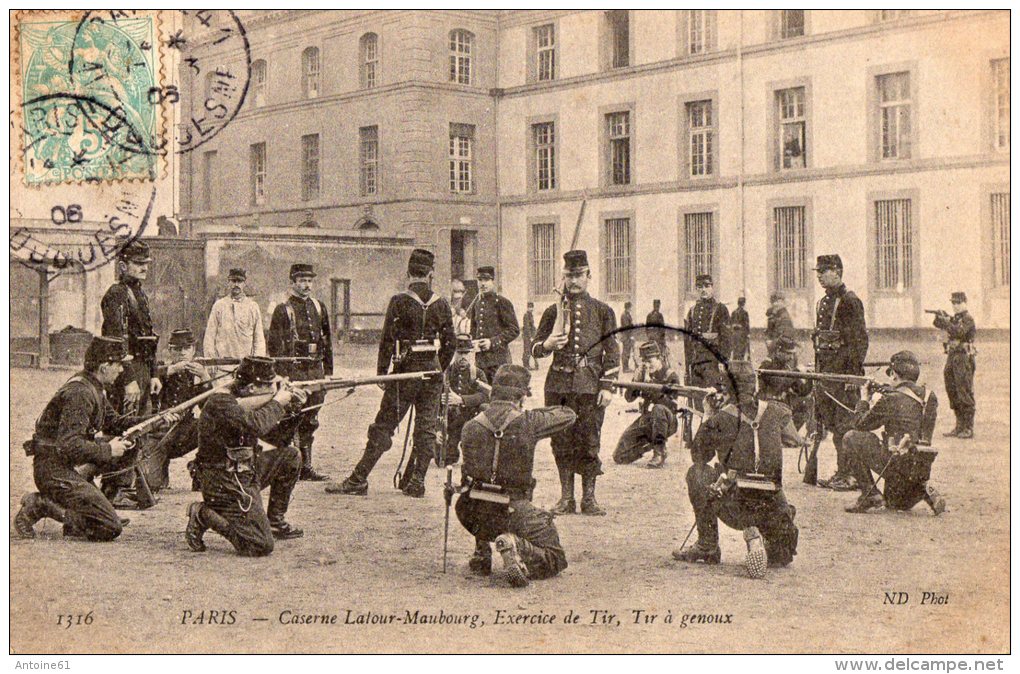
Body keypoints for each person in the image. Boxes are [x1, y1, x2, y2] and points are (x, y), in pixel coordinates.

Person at [331, 249, 456, 497]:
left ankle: (358, 479)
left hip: (404, 374)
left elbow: (387, 339)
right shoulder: (441, 303)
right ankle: (417, 482)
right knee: (426, 429)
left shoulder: (399, 301)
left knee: (383, 426)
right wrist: (437, 367)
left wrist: (382, 372)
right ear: (430, 274)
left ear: (408, 273)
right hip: (431, 375)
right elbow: (450, 343)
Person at [673, 361, 801, 579]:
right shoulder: (778, 411)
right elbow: (794, 439)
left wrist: (709, 415)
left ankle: (707, 545)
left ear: (727, 388)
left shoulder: (721, 419)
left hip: (736, 508)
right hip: (771, 505)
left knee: (696, 473)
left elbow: (699, 457)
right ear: (755, 384)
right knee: (781, 558)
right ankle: (766, 535)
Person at [453, 365, 575, 586]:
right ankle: (515, 544)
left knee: (478, 488)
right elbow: (568, 414)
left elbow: (466, 476)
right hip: (511, 510)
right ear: (521, 396)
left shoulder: (470, 426)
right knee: (556, 558)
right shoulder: (529, 421)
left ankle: (482, 553)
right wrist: (528, 411)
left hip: (470, 512)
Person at [14, 337, 147, 541]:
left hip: (65, 465)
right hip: (53, 471)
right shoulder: (81, 393)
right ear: (104, 366)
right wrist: (108, 450)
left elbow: (114, 422)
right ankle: (41, 505)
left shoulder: (93, 386)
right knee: (109, 527)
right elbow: (70, 445)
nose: (122, 370)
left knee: (127, 447)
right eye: (119, 365)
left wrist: (157, 419)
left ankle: (92, 509)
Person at [185, 357, 307, 556]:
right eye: (269, 386)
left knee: (290, 456)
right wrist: (277, 403)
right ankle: (203, 514)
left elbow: (276, 438)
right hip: (223, 481)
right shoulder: (221, 403)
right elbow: (255, 425)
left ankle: (275, 522)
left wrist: (293, 407)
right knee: (260, 545)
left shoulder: (243, 401)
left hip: (246, 472)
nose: (273, 390)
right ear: (251, 388)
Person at [532, 249, 619, 516]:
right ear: (563, 277)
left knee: (589, 439)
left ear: (589, 276)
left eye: (579, 275)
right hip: (558, 385)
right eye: (569, 275)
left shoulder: (602, 311)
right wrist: (546, 345)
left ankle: (589, 498)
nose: (574, 281)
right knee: (561, 440)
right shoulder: (553, 310)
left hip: (589, 386)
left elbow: (612, 351)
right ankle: (566, 498)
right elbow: (535, 348)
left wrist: (607, 385)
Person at [843, 351, 944, 515]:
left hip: (896, 463)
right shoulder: (929, 396)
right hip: (920, 467)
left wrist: (864, 399)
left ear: (895, 374)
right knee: (895, 504)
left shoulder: (891, 398)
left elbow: (860, 424)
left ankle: (871, 494)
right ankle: (923, 489)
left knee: (851, 437)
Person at [267, 263, 333, 481]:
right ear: (292, 283)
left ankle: (306, 467)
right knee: (292, 417)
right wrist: (282, 375)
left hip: (315, 370)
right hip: (294, 371)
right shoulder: (283, 310)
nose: (307, 285)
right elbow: (275, 346)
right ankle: (289, 466)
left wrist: (328, 371)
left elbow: (327, 340)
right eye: (302, 281)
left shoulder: (319, 306)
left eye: (310, 281)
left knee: (311, 418)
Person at [811, 254, 869, 490]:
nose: (820, 277)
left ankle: (853, 475)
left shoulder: (849, 301)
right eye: (818, 273)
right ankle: (842, 472)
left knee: (846, 426)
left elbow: (859, 341)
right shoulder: (824, 302)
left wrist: (852, 377)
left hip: (844, 375)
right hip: (827, 374)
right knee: (834, 425)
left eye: (824, 272)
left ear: (837, 272)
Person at [144, 328, 213, 491]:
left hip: (184, 429)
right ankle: (160, 469)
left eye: (186, 349)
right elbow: (147, 381)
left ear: (193, 350)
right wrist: (172, 370)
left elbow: (209, 407)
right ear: (169, 351)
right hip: (159, 430)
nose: (182, 353)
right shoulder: (160, 370)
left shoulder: (197, 372)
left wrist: (205, 378)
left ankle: (199, 469)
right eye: (177, 349)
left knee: (211, 427)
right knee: (152, 484)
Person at [101, 240, 161, 416]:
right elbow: (116, 340)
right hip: (125, 370)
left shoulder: (140, 293)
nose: (144, 268)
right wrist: (128, 380)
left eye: (146, 264)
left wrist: (154, 374)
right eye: (138, 263)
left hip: (142, 369)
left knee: (141, 426)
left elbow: (148, 338)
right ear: (123, 266)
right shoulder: (117, 294)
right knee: (123, 428)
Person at [613, 341, 681, 469]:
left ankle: (659, 452)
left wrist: (650, 388)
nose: (647, 365)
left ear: (659, 359)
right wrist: (636, 381)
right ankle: (650, 444)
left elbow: (671, 405)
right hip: (647, 421)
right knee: (620, 456)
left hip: (667, 421)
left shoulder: (670, 375)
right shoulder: (643, 373)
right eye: (644, 362)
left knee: (658, 409)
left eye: (650, 361)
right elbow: (629, 398)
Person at [203, 268, 267, 373]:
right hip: (222, 367)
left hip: (246, 367)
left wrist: (258, 363)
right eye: (233, 281)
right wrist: (211, 361)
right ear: (228, 283)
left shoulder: (253, 307)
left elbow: (259, 339)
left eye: (240, 281)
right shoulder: (219, 306)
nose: (236, 284)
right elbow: (210, 336)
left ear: (244, 284)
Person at [440, 335, 490, 466]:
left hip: (470, 418)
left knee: (474, 460)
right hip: (450, 419)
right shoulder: (446, 373)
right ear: (454, 354)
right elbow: (434, 401)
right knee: (445, 459)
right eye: (459, 353)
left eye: (466, 353)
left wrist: (461, 400)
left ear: (471, 354)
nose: (463, 357)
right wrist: (437, 429)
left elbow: (485, 395)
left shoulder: (477, 373)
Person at [932, 292, 976, 439]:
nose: (955, 306)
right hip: (952, 356)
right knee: (952, 390)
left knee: (963, 390)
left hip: (963, 357)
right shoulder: (955, 319)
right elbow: (938, 324)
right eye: (953, 303)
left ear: (965, 302)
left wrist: (946, 322)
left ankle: (968, 427)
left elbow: (959, 332)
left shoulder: (967, 319)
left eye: (958, 303)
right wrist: (939, 317)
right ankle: (959, 426)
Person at [468, 265, 520, 383]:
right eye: (480, 280)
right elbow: (473, 330)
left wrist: (492, 342)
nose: (483, 284)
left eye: (486, 280)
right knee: (483, 394)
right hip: (481, 361)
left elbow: (514, 330)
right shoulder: (477, 304)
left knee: (499, 394)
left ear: (493, 281)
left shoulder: (502, 302)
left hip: (498, 361)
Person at [683, 274, 731, 400]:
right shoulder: (692, 311)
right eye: (699, 287)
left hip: (712, 363)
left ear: (712, 288)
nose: (703, 290)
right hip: (696, 362)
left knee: (712, 398)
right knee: (698, 398)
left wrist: (723, 361)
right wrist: (688, 364)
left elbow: (726, 339)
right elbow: (687, 342)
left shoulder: (721, 309)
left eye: (706, 286)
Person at [758, 335, 812, 432]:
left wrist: (810, 377)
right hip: (769, 405)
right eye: (788, 354)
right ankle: (786, 435)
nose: (791, 357)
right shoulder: (767, 365)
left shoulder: (786, 366)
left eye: (792, 354)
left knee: (805, 403)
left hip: (782, 406)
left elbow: (801, 391)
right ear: (778, 352)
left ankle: (790, 434)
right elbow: (778, 385)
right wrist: (796, 372)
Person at [765, 292, 796, 357]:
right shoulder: (774, 315)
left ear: (782, 302)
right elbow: (770, 332)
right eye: (772, 302)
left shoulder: (784, 316)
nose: (774, 304)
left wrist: (771, 343)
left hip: (785, 353)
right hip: (776, 351)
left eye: (776, 301)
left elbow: (786, 337)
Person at [730, 296, 751, 361]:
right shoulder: (745, 313)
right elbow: (746, 324)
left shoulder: (733, 312)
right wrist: (748, 334)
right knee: (742, 350)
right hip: (742, 334)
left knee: (735, 350)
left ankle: (735, 364)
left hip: (734, 334)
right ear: (744, 303)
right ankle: (740, 365)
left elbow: (730, 323)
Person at [521, 302, 537, 370]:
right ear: (527, 308)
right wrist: (530, 337)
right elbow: (527, 327)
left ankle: (529, 365)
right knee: (527, 350)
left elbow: (533, 326)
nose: (531, 309)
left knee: (530, 350)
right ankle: (525, 365)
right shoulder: (526, 315)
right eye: (530, 307)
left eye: (532, 307)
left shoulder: (531, 315)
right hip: (527, 336)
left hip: (531, 336)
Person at [620, 301, 635, 372]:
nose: (631, 309)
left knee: (627, 352)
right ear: (628, 307)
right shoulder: (624, 315)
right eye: (630, 307)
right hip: (626, 337)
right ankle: (625, 368)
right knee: (626, 353)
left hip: (628, 336)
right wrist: (630, 336)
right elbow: (627, 327)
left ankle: (626, 367)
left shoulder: (627, 314)